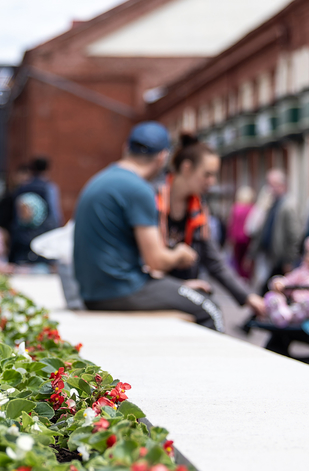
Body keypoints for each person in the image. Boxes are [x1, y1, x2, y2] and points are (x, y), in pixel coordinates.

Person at [73, 122, 228, 331]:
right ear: (162, 157)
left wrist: (175, 288)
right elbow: (156, 260)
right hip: (121, 291)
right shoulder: (138, 189)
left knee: (190, 296)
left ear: (126, 148)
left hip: (93, 292)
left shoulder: (98, 181)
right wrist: (180, 255)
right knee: (209, 308)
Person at [155, 134, 265, 316]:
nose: (212, 182)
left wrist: (247, 296)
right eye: (207, 174)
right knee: (211, 312)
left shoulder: (198, 208)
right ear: (186, 168)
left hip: (185, 288)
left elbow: (213, 259)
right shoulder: (152, 199)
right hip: (156, 286)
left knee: (211, 307)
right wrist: (178, 285)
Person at [248, 169, 303, 293]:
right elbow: (262, 229)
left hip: (282, 259)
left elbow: (295, 235)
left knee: (271, 289)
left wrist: (289, 260)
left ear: (283, 185)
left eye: (273, 185)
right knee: (268, 287)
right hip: (271, 256)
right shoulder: (273, 203)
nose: (270, 188)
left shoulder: (289, 205)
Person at [228, 186, 255, 281]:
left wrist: (230, 238)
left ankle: (240, 279)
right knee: (247, 261)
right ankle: (246, 279)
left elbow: (231, 224)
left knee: (238, 262)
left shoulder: (235, 208)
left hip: (237, 239)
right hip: (248, 239)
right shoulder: (252, 208)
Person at [30, 157, 62, 226]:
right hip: (45, 229)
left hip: (24, 231)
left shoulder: (22, 188)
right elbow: (54, 212)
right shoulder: (48, 187)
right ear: (47, 169)